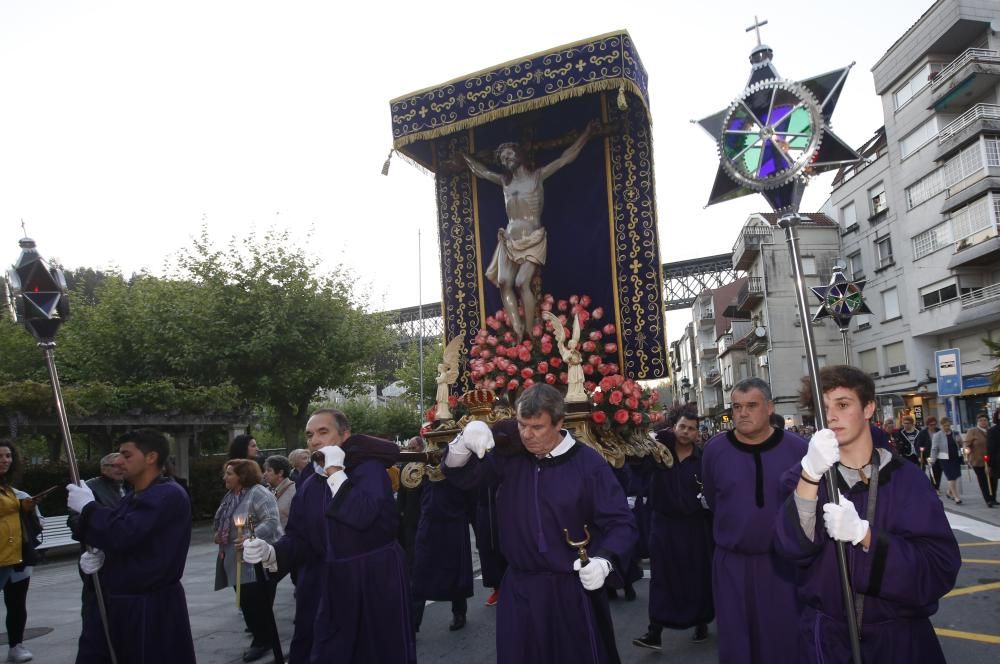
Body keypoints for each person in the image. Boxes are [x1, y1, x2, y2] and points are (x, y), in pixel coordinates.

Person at [775, 365, 960, 661]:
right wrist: (810, 476)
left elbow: (940, 568)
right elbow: (791, 550)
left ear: (868, 408)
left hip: (900, 641)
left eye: (843, 404)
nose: (831, 416)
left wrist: (867, 536)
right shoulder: (799, 478)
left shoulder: (907, 480)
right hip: (828, 642)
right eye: (823, 408)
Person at [443, 384, 637, 663]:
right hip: (520, 588)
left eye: (537, 427)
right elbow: (459, 476)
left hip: (571, 591)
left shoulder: (588, 464)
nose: (526, 434)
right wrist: (463, 442)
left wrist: (605, 560)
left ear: (559, 423)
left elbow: (621, 522)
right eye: (522, 424)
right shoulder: (511, 460)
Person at [244, 413, 416, 663]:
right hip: (324, 585)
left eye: (323, 432)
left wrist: (335, 471)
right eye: (310, 435)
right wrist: (272, 552)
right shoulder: (310, 483)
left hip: (372, 581)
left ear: (345, 435)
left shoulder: (369, 470)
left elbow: (363, 515)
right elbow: (299, 536)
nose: (314, 441)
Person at [700, 377, 807, 664]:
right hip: (732, 563)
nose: (742, 413)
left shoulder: (798, 449)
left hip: (784, 565)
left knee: (785, 640)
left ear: (770, 407)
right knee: (737, 641)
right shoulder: (715, 450)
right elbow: (712, 495)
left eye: (751, 406)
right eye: (736, 407)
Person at [66, 429, 196, 664]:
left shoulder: (167, 494)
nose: (117, 461)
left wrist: (89, 508)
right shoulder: (134, 496)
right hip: (120, 602)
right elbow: (128, 541)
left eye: (126, 455)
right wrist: (103, 557)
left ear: (151, 457)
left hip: (149, 608)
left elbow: (123, 533)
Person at [461, 121, 597, 339]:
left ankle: (531, 333)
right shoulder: (504, 182)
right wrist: (464, 156)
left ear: (519, 155)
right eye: (503, 158)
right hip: (509, 237)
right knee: (505, 283)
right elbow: (482, 171)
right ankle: (517, 331)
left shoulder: (537, 177)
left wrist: (586, 134)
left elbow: (565, 158)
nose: (506, 160)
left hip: (533, 237)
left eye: (509, 155)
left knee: (521, 282)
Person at [634, 406, 713, 651]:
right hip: (663, 524)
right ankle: (654, 631)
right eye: (682, 427)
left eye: (691, 428)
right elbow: (637, 470)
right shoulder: (657, 455)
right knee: (661, 577)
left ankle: (701, 622)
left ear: (697, 433)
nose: (686, 432)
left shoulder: (703, 459)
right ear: (674, 427)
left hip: (694, 526)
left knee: (697, 574)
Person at [214, 458, 282, 662]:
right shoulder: (230, 496)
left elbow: (271, 520)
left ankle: (263, 641)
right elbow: (222, 519)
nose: (224, 477)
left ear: (242, 476)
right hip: (236, 559)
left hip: (257, 561)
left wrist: (250, 537)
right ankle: (260, 636)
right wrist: (219, 532)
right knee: (246, 602)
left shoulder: (259, 493)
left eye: (229, 473)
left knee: (257, 603)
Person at [67, 453, 126, 631]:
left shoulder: (131, 486)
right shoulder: (89, 488)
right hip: (97, 554)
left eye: (122, 465)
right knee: (96, 601)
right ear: (104, 468)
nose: (120, 469)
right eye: (115, 466)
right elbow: (76, 521)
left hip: (124, 554)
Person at [409, 475, 475, 633]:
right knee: (420, 571)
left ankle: (459, 612)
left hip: (454, 519)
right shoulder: (421, 464)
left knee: (457, 567)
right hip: (429, 519)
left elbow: (470, 491)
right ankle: (413, 620)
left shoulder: (457, 460)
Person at [0, 440, 40, 663]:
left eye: (7, 455)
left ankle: (16, 644)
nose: (4, 460)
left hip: (16, 555)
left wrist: (26, 508)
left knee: (16, 605)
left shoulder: (12, 489)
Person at [963, 414, 995, 507]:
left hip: (991, 460)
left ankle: (993, 498)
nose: (983, 422)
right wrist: (967, 449)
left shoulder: (991, 431)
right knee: (983, 480)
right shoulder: (972, 431)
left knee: (993, 480)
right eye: (981, 420)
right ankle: (988, 500)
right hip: (978, 460)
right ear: (977, 422)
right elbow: (966, 443)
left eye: (985, 420)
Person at [931, 417, 963, 504]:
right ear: (941, 425)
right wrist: (932, 459)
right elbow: (934, 448)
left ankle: (949, 491)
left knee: (956, 475)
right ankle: (956, 496)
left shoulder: (955, 433)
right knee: (951, 477)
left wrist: (960, 442)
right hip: (944, 459)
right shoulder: (937, 435)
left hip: (955, 457)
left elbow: (961, 444)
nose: (947, 427)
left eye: (948, 425)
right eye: (945, 426)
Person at [263, 455, 297, 528]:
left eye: (269, 470)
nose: (264, 474)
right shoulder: (265, 491)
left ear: (280, 473)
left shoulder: (294, 491)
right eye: (265, 470)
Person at [916, 417, 939, 481]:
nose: (933, 426)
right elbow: (919, 445)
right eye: (931, 425)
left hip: (938, 454)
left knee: (937, 471)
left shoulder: (939, 431)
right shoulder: (923, 433)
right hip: (928, 454)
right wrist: (919, 456)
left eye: (934, 424)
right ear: (927, 425)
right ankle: (934, 487)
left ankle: (936, 486)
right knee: (932, 471)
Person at [989, 411, 1000, 503]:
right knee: (994, 480)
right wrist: (990, 462)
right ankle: (992, 498)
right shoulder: (993, 430)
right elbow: (991, 448)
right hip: (997, 459)